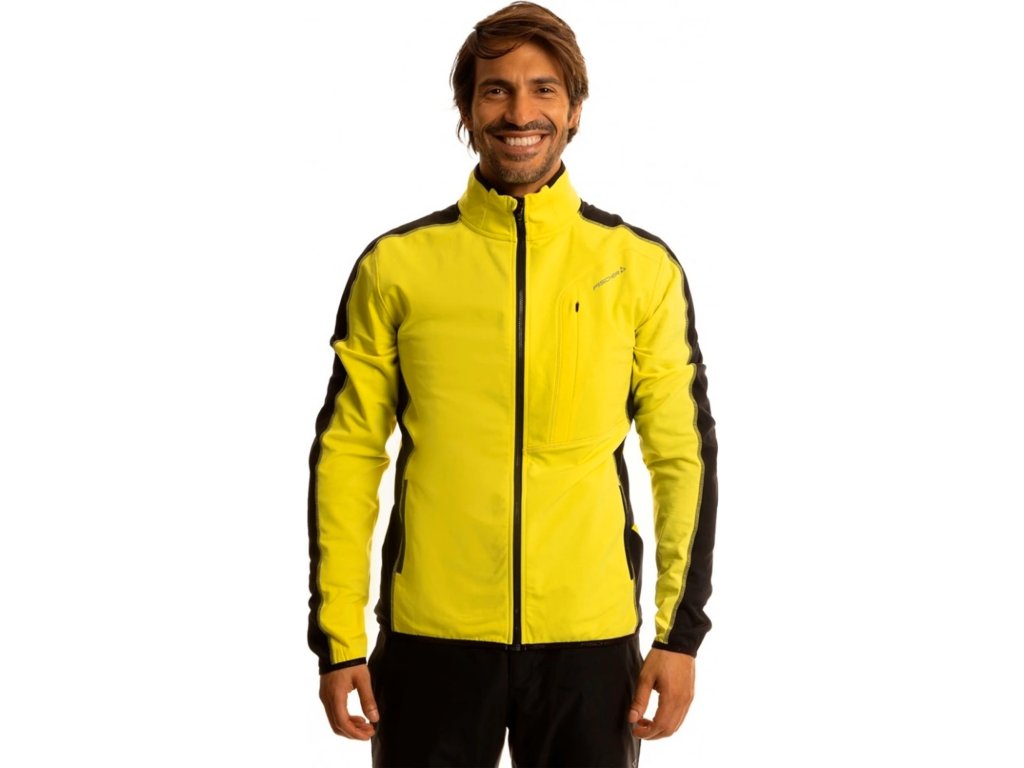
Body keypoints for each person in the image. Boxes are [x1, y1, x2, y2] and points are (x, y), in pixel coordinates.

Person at [307, 3, 718, 765]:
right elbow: (348, 454)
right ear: (467, 109)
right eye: (495, 90)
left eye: (543, 89)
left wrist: (678, 634)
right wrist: (337, 640)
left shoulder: (640, 268)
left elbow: (681, 455)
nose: (519, 112)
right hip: (430, 635)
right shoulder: (396, 266)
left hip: (590, 640)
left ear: (575, 108)